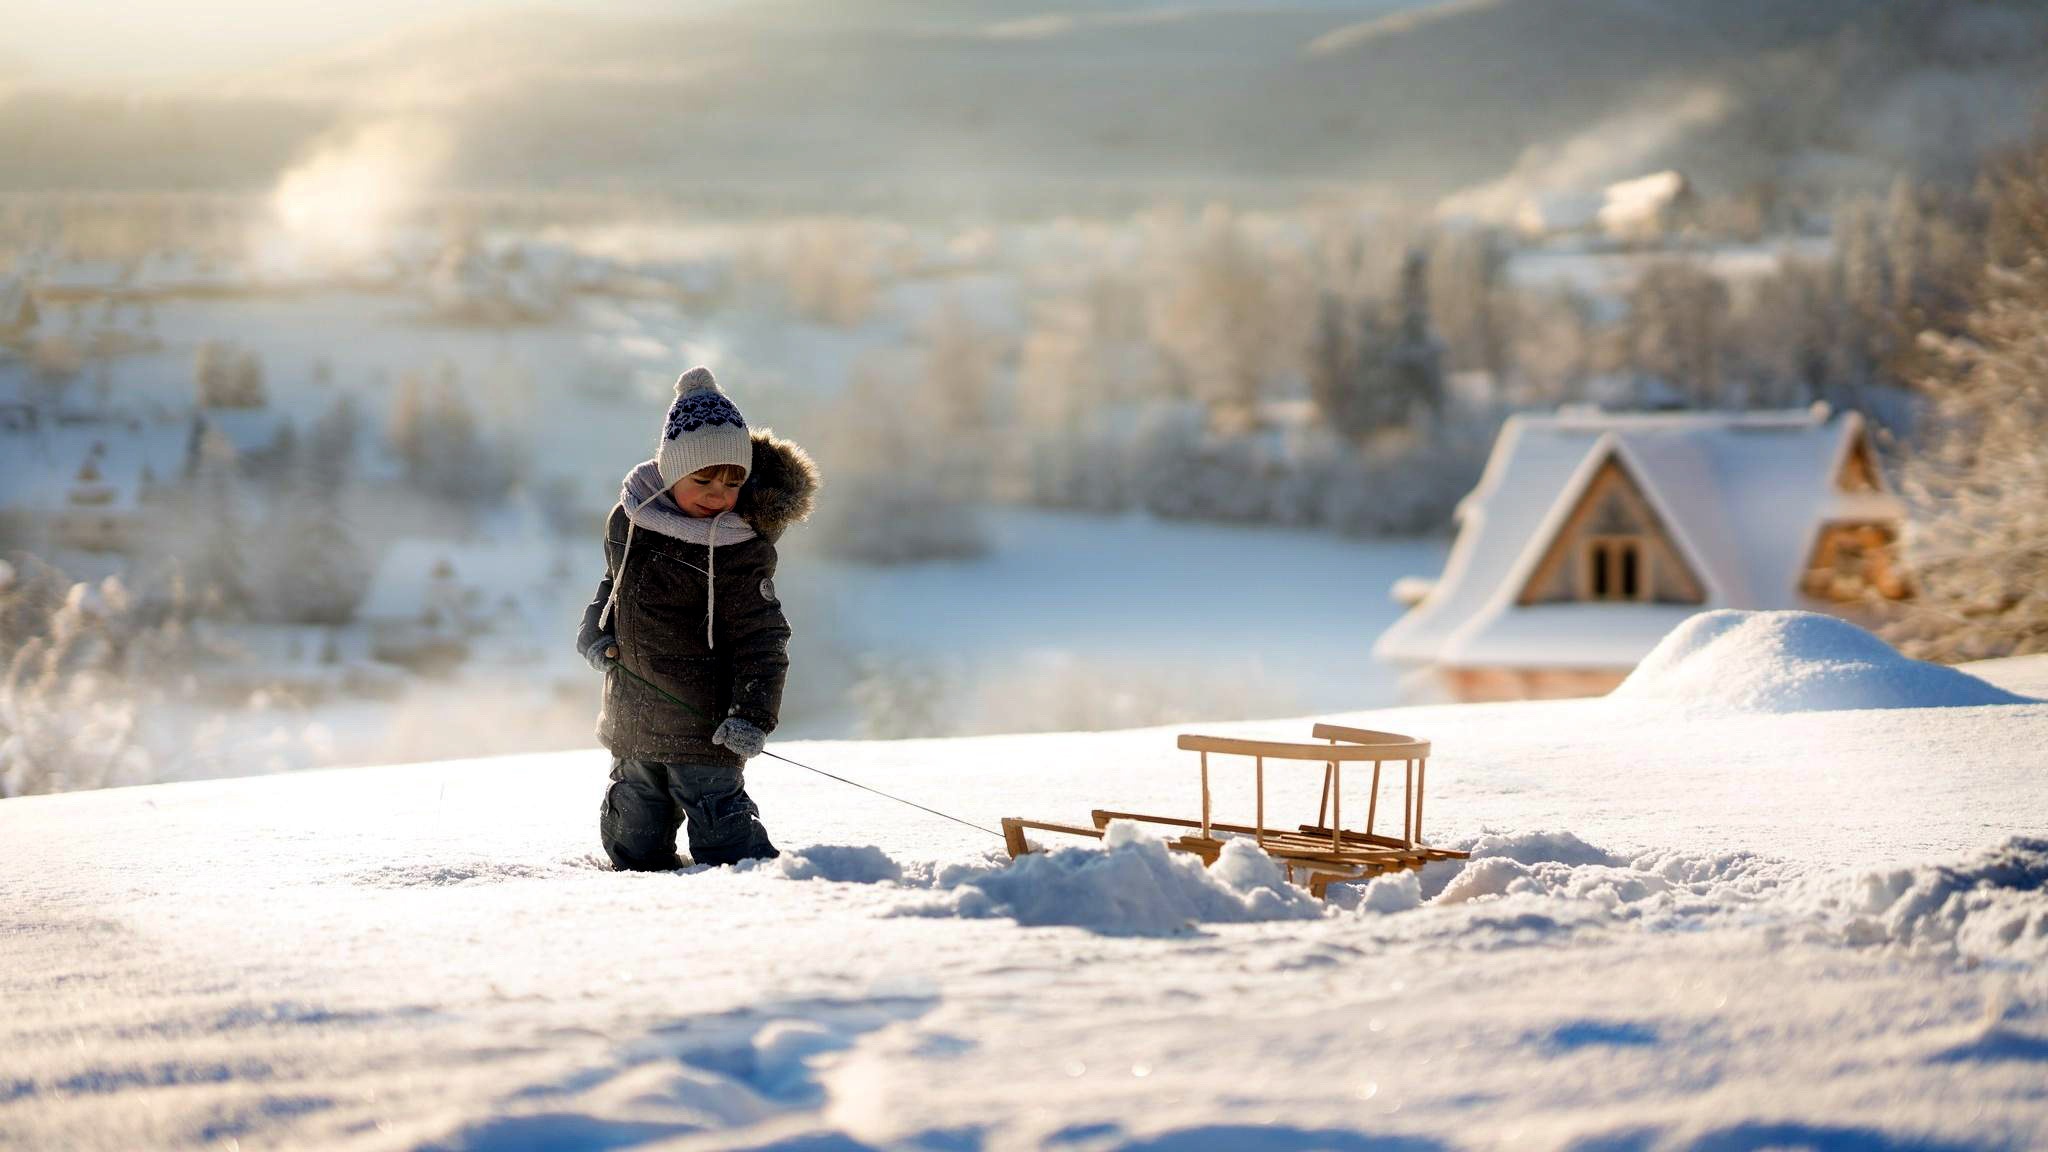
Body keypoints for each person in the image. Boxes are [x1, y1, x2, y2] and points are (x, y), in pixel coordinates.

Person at [576, 366, 819, 870]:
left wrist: (751, 715)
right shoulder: (631, 517)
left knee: (726, 840)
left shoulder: (738, 549)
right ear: (669, 472)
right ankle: (634, 909)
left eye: (732, 483)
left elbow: (763, 638)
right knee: (633, 838)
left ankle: (751, 907)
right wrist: (595, 631)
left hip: (705, 730)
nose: (717, 495)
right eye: (702, 479)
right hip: (634, 718)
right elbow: (613, 584)